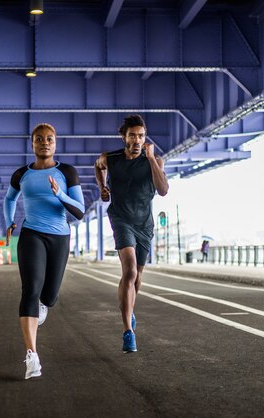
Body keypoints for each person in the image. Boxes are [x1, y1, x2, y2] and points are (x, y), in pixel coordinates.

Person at [4, 123, 85, 379]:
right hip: (31, 234)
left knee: (49, 296)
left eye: (49, 139)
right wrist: (9, 222)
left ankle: (44, 304)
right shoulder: (21, 174)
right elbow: (9, 199)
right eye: (39, 139)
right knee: (30, 290)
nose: (44, 142)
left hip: (59, 237)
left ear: (55, 143)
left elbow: (80, 211)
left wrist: (60, 193)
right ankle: (32, 356)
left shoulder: (67, 172)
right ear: (32, 144)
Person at [94, 115, 169, 353]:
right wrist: (102, 187)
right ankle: (128, 331)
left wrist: (150, 159)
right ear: (124, 137)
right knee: (130, 271)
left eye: (141, 136)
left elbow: (163, 190)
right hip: (121, 218)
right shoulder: (111, 158)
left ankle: (130, 309)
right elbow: (98, 165)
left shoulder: (155, 160)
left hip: (144, 224)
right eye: (132, 135)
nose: (137, 140)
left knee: (137, 279)